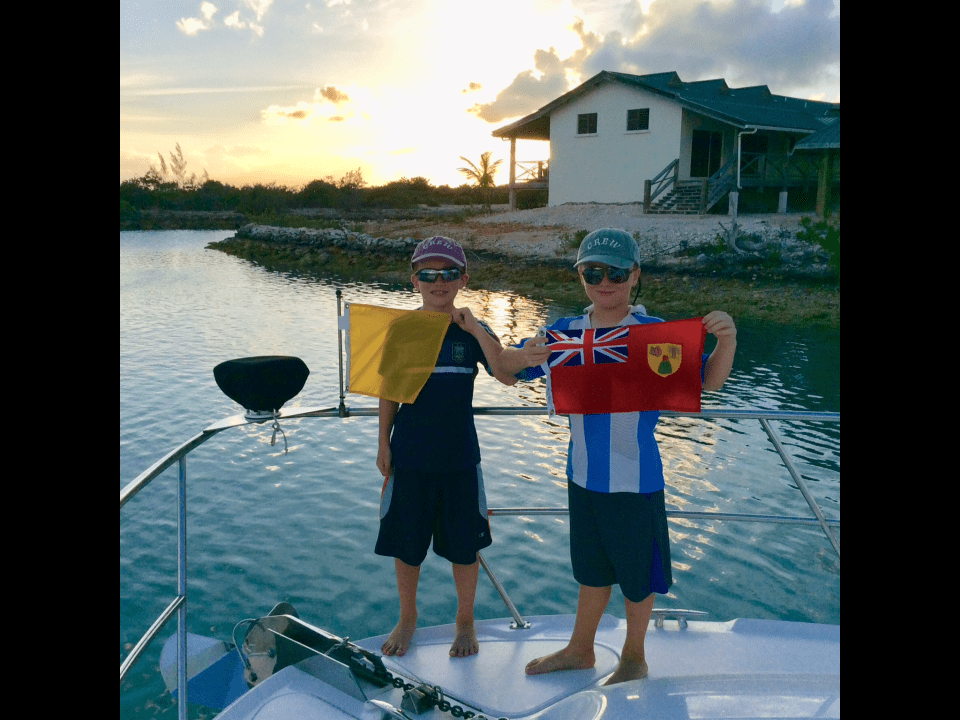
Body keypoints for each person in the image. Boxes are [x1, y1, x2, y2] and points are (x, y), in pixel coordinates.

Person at [498, 228, 737, 685]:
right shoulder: (565, 334)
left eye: (616, 273)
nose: (604, 282)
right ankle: (580, 649)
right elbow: (508, 372)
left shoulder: (654, 334)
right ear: (580, 276)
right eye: (593, 273)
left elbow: (707, 382)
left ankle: (634, 657)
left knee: (637, 576)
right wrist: (522, 354)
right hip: (582, 475)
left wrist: (726, 341)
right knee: (591, 571)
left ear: (635, 276)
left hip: (636, 478)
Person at [375, 236, 517, 659]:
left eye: (449, 273)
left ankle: (465, 619)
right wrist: (382, 443)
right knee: (406, 545)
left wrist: (475, 328)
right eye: (429, 274)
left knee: (464, 548)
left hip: (460, 458)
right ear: (414, 281)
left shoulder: (472, 328)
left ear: (463, 280)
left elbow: (507, 374)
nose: (439, 282)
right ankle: (408, 616)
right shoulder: (402, 329)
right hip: (410, 454)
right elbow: (389, 390)